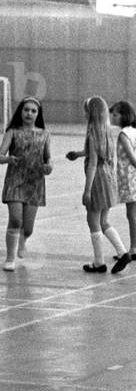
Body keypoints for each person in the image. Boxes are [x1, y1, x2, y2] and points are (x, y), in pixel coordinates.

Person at [67, 96, 131, 274]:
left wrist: (87, 190)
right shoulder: (106, 131)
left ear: (91, 113)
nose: (84, 115)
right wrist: (80, 154)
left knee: (93, 221)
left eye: (85, 111)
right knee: (103, 220)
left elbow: (93, 163)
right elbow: (98, 154)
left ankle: (99, 261)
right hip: (109, 178)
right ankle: (122, 252)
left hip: (98, 180)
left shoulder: (92, 133)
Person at [1, 97, 51, 272]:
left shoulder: (44, 134)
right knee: (15, 219)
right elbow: (0, 155)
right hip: (15, 180)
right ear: (20, 112)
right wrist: (8, 158)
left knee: (28, 227)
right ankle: (9, 258)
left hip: (34, 183)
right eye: (26, 110)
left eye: (33, 111)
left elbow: (48, 159)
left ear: (38, 114)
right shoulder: (12, 132)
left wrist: (48, 166)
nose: (29, 113)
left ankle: (23, 238)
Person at [109, 101, 136, 261]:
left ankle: (134, 248)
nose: (112, 118)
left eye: (115, 115)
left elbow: (132, 156)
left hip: (130, 178)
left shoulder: (123, 135)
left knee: (132, 214)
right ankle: (135, 246)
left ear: (124, 116)